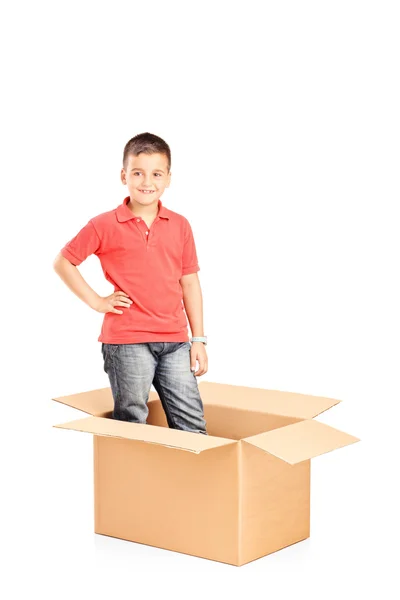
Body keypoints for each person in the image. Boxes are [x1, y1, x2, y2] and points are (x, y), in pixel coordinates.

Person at [53, 132, 208, 435]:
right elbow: (64, 262)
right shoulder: (104, 224)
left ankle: (190, 481)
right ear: (124, 175)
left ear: (168, 179)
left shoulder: (180, 225)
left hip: (175, 340)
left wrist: (198, 339)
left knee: (192, 424)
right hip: (127, 341)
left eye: (156, 174)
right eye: (137, 173)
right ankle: (135, 482)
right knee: (132, 422)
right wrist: (98, 301)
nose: (146, 181)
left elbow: (189, 283)